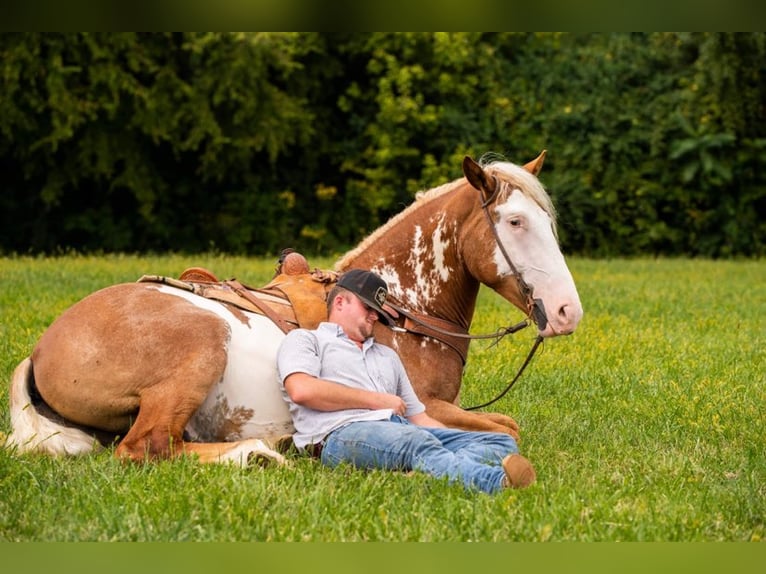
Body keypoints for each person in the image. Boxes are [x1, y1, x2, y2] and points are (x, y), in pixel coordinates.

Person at [276, 268, 536, 493]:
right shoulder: (307, 340)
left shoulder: (387, 355)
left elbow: (420, 419)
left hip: (401, 430)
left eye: (377, 311)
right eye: (367, 307)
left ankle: (430, 472)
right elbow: (301, 389)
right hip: (339, 435)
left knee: (500, 441)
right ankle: (496, 482)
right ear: (341, 302)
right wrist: (379, 401)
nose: (374, 316)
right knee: (417, 442)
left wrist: (453, 438)